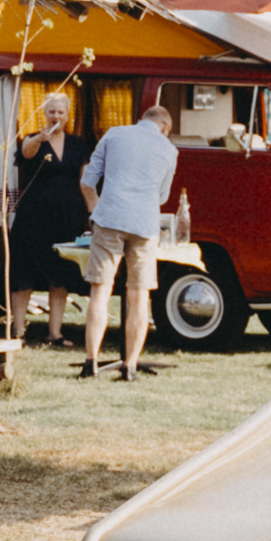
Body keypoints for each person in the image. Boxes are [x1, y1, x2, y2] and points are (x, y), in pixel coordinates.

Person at [75, 97, 179, 382]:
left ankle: (91, 362)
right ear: (165, 126)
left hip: (109, 217)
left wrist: (95, 209)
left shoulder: (114, 134)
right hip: (145, 224)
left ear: (142, 118)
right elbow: (162, 196)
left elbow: (86, 181)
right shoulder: (169, 150)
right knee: (139, 296)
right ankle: (130, 366)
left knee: (101, 291)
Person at [8, 90, 90, 346]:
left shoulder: (78, 144)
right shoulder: (33, 139)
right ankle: (18, 332)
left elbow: (85, 180)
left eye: (60, 111)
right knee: (24, 274)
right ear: (44, 113)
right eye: (51, 111)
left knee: (61, 276)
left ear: (67, 115)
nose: (56, 115)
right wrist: (38, 138)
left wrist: (90, 213)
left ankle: (55, 333)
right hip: (33, 218)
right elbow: (26, 153)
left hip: (67, 218)